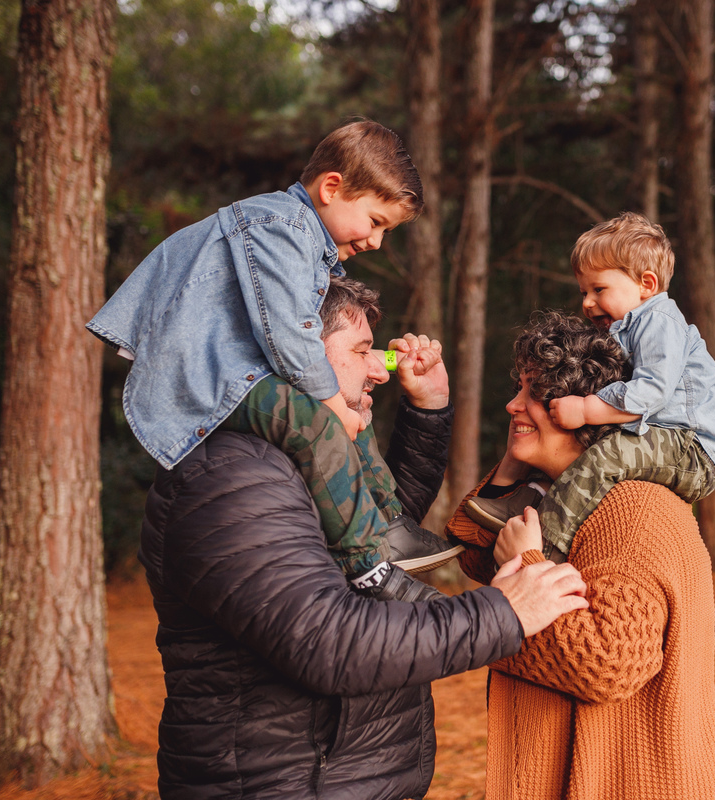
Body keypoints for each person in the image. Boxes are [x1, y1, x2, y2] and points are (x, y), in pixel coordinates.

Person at [139, 277, 589, 800]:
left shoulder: (289, 455)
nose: (380, 367)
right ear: (293, 349)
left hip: (343, 775)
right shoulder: (230, 480)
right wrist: (503, 614)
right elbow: (328, 642)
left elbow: (376, 534)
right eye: (359, 351)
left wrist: (428, 411)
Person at [88, 120, 460, 597]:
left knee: (348, 411)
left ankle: (391, 524)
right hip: (207, 375)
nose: (376, 242)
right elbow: (287, 330)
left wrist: (349, 394)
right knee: (322, 418)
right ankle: (370, 564)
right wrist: (329, 404)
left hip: (240, 371)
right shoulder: (277, 224)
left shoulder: (302, 237)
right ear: (332, 187)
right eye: (375, 222)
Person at [446, 310, 715, 800]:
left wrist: (529, 568)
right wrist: (514, 462)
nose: (513, 404)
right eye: (519, 389)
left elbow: (607, 661)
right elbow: (472, 550)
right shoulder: (565, 497)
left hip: (634, 785)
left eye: (534, 393)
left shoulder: (631, 510)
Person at [465, 212, 715, 564]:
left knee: (607, 456)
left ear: (646, 284)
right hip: (666, 434)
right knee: (586, 449)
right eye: (583, 292)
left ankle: (548, 547)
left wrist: (586, 408)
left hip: (693, 446)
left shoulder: (659, 322)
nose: (587, 302)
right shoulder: (629, 327)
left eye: (599, 289)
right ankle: (529, 498)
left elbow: (651, 392)